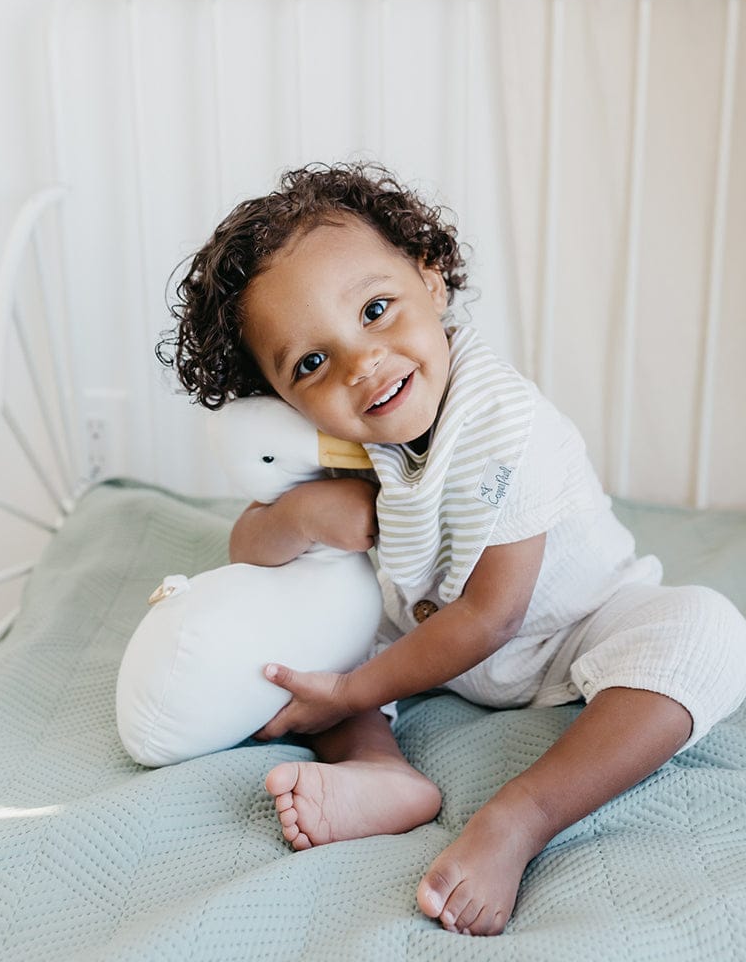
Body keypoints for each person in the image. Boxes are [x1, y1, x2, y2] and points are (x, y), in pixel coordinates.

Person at [158, 163, 746, 938]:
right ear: (284, 400)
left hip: (575, 627)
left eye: (375, 310)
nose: (360, 363)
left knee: (707, 630)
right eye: (311, 363)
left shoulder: (504, 421)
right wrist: (301, 515)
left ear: (431, 279)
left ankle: (522, 815)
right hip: (423, 637)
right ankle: (379, 771)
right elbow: (248, 547)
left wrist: (349, 691)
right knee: (302, 639)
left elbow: (493, 615)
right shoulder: (348, 433)